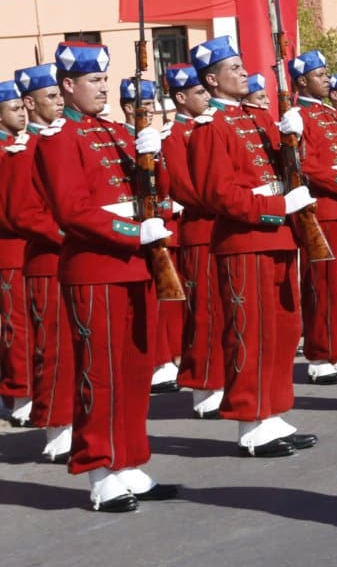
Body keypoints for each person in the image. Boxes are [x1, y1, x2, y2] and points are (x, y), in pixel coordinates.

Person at [35, 42, 177, 511]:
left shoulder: (118, 132)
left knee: (135, 372)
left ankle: (129, 460)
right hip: (95, 270)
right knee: (101, 373)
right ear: (68, 86)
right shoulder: (59, 138)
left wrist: (157, 158)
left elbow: (152, 193)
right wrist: (134, 231)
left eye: (104, 80)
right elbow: (73, 212)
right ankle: (100, 470)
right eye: (93, 81)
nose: (102, 88)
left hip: (136, 267)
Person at [187, 36, 319, 458]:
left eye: (243, 66)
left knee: (283, 330)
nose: (245, 73)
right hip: (245, 241)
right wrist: (278, 207)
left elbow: (287, 166)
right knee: (249, 330)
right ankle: (249, 421)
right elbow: (220, 195)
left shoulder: (258, 118)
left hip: (279, 235)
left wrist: (296, 138)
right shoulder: (211, 126)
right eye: (235, 68)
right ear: (212, 80)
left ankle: (272, 410)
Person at [5, 63, 71, 460]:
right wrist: (73, 232)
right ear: (30, 103)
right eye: (51, 98)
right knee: (52, 346)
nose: (60, 103)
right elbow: (22, 213)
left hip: (81, 258)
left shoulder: (68, 139)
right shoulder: (21, 149)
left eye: (61, 96)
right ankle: (57, 426)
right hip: (48, 257)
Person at [289, 50, 337, 385]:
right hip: (324, 208)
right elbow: (305, 164)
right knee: (322, 282)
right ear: (303, 80)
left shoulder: (334, 114)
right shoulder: (297, 116)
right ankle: (320, 354)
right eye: (320, 74)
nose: (328, 79)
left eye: (326, 73)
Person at [159, 63, 223, 420]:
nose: (207, 97)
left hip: (220, 228)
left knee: (225, 309)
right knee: (203, 312)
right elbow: (185, 188)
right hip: (197, 232)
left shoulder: (209, 126)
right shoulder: (174, 135)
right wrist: (226, 198)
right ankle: (204, 386)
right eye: (200, 92)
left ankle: (222, 379)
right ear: (181, 97)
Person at [118, 77, 184, 394]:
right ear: (130, 108)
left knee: (167, 301)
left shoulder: (152, 141)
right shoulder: (119, 140)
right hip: (136, 231)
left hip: (160, 225)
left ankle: (168, 357)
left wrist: (156, 159)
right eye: (145, 107)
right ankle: (157, 362)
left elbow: (166, 187)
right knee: (147, 304)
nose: (151, 113)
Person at [0, 80, 33, 428]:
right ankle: (20, 393)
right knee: (16, 326)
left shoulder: (21, 146)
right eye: (14, 109)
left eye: (23, 108)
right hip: (8, 248)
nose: (22, 114)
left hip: (29, 248)